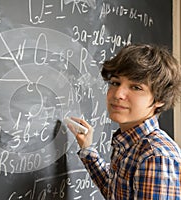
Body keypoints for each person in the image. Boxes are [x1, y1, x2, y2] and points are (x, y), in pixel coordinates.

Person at [66, 44, 181, 199]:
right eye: (115, 83)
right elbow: (115, 192)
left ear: (159, 99)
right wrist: (87, 149)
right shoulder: (131, 143)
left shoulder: (154, 157)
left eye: (136, 87)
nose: (118, 94)